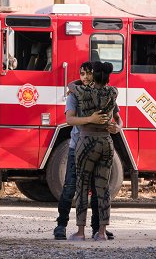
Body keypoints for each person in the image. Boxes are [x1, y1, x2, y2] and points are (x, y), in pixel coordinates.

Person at [53, 61, 123, 240]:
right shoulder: (108, 92)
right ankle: (62, 225)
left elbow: (118, 119)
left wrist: (118, 127)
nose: (85, 77)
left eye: (88, 74)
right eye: (82, 74)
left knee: (88, 187)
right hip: (78, 145)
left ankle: (91, 229)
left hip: (84, 144)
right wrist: (91, 118)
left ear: (95, 75)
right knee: (71, 188)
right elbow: (70, 120)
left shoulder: (80, 92)